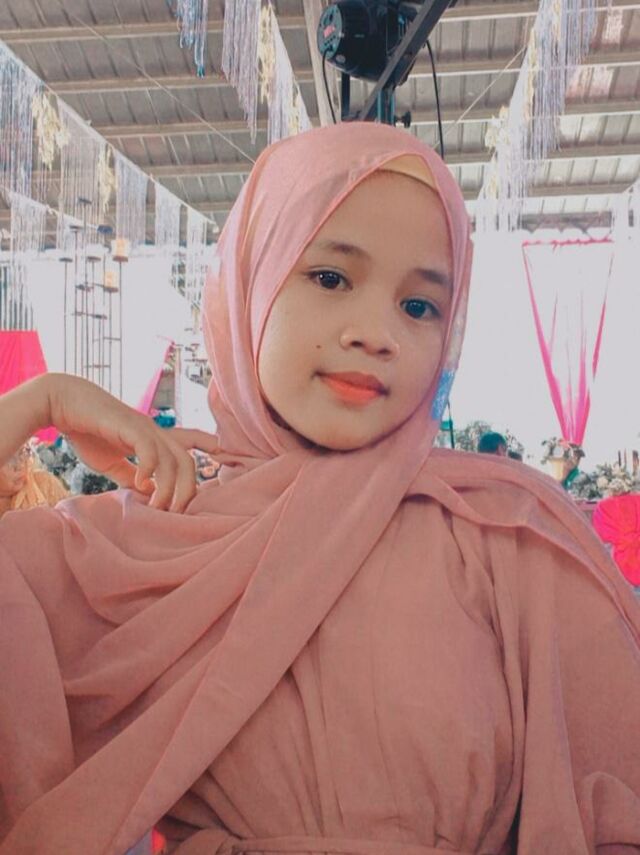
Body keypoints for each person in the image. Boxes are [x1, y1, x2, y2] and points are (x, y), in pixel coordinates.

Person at [0, 123, 639, 855]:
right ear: (252, 281)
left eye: (419, 306)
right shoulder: (142, 543)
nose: (376, 332)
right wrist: (40, 401)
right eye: (331, 278)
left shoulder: (510, 534)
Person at [0, 442, 68, 519]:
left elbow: (73, 519)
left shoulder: (44, 482)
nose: (20, 466)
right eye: (9, 460)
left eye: (22, 453)